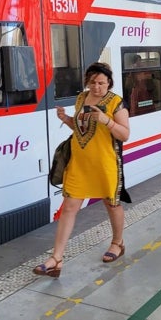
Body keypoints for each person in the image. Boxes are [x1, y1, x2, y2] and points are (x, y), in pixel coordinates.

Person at [34, 62, 130, 278]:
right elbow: (81, 129)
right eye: (93, 82)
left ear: (109, 83)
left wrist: (107, 120)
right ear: (88, 82)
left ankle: (118, 242)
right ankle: (56, 258)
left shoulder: (116, 103)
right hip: (79, 163)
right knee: (69, 207)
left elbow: (125, 135)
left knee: (111, 204)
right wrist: (67, 119)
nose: (97, 87)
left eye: (102, 83)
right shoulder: (81, 98)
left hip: (105, 163)